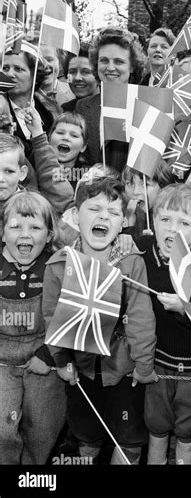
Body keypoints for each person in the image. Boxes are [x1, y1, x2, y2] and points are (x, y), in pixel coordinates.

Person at [43, 177, 157, 465]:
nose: (103, 216)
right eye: (94, 208)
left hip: (125, 371)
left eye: (114, 212)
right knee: (86, 433)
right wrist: (61, 361)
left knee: (129, 437)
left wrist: (144, 365)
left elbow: (141, 318)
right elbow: (52, 319)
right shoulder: (59, 264)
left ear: (123, 223)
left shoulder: (132, 262)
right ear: (75, 215)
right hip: (81, 371)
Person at [134, 184, 191, 465]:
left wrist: (184, 309)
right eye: (165, 220)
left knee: (188, 431)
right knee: (156, 425)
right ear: (154, 221)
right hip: (157, 363)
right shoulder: (140, 252)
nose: (173, 230)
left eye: (184, 223)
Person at [0, 191, 66, 464]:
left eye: (35, 227)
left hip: (44, 357)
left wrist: (50, 354)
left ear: (50, 235)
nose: (24, 234)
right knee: (3, 429)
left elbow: (68, 316)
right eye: (15, 227)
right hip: (2, 363)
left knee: (42, 430)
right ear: (3, 233)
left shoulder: (59, 267)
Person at [75, 27, 147, 171]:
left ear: (132, 66)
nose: (110, 67)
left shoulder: (145, 107)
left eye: (119, 62)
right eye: (104, 60)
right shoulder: (83, 106)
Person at [3, 47, 56, 157]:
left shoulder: (51, 113)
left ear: (35, 76)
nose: (9, 74)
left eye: (18, 69)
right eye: (5, 68)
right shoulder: (1, 109)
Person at [121, 160, 174, 237]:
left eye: (145, 184)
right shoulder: (116, 213)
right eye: (129, 183)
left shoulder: (170, 223)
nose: (135, 191)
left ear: (164, 188)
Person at [48, 112, 89, 189]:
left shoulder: (88, 177)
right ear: (49, 138)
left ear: (83, 146)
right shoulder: (34, 168)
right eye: (60, 133)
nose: (66, 138)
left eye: (74, 135)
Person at [62, 44, 100, 111]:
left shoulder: (109, 110)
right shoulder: (64, 110)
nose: (77, 78)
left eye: (85, 72)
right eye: (72, 72)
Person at [39, 45, 74, 110]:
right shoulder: (24, 95)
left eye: (49, 59)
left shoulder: (73, 93)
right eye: (39, 60)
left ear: (59, 61)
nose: (45, 65)